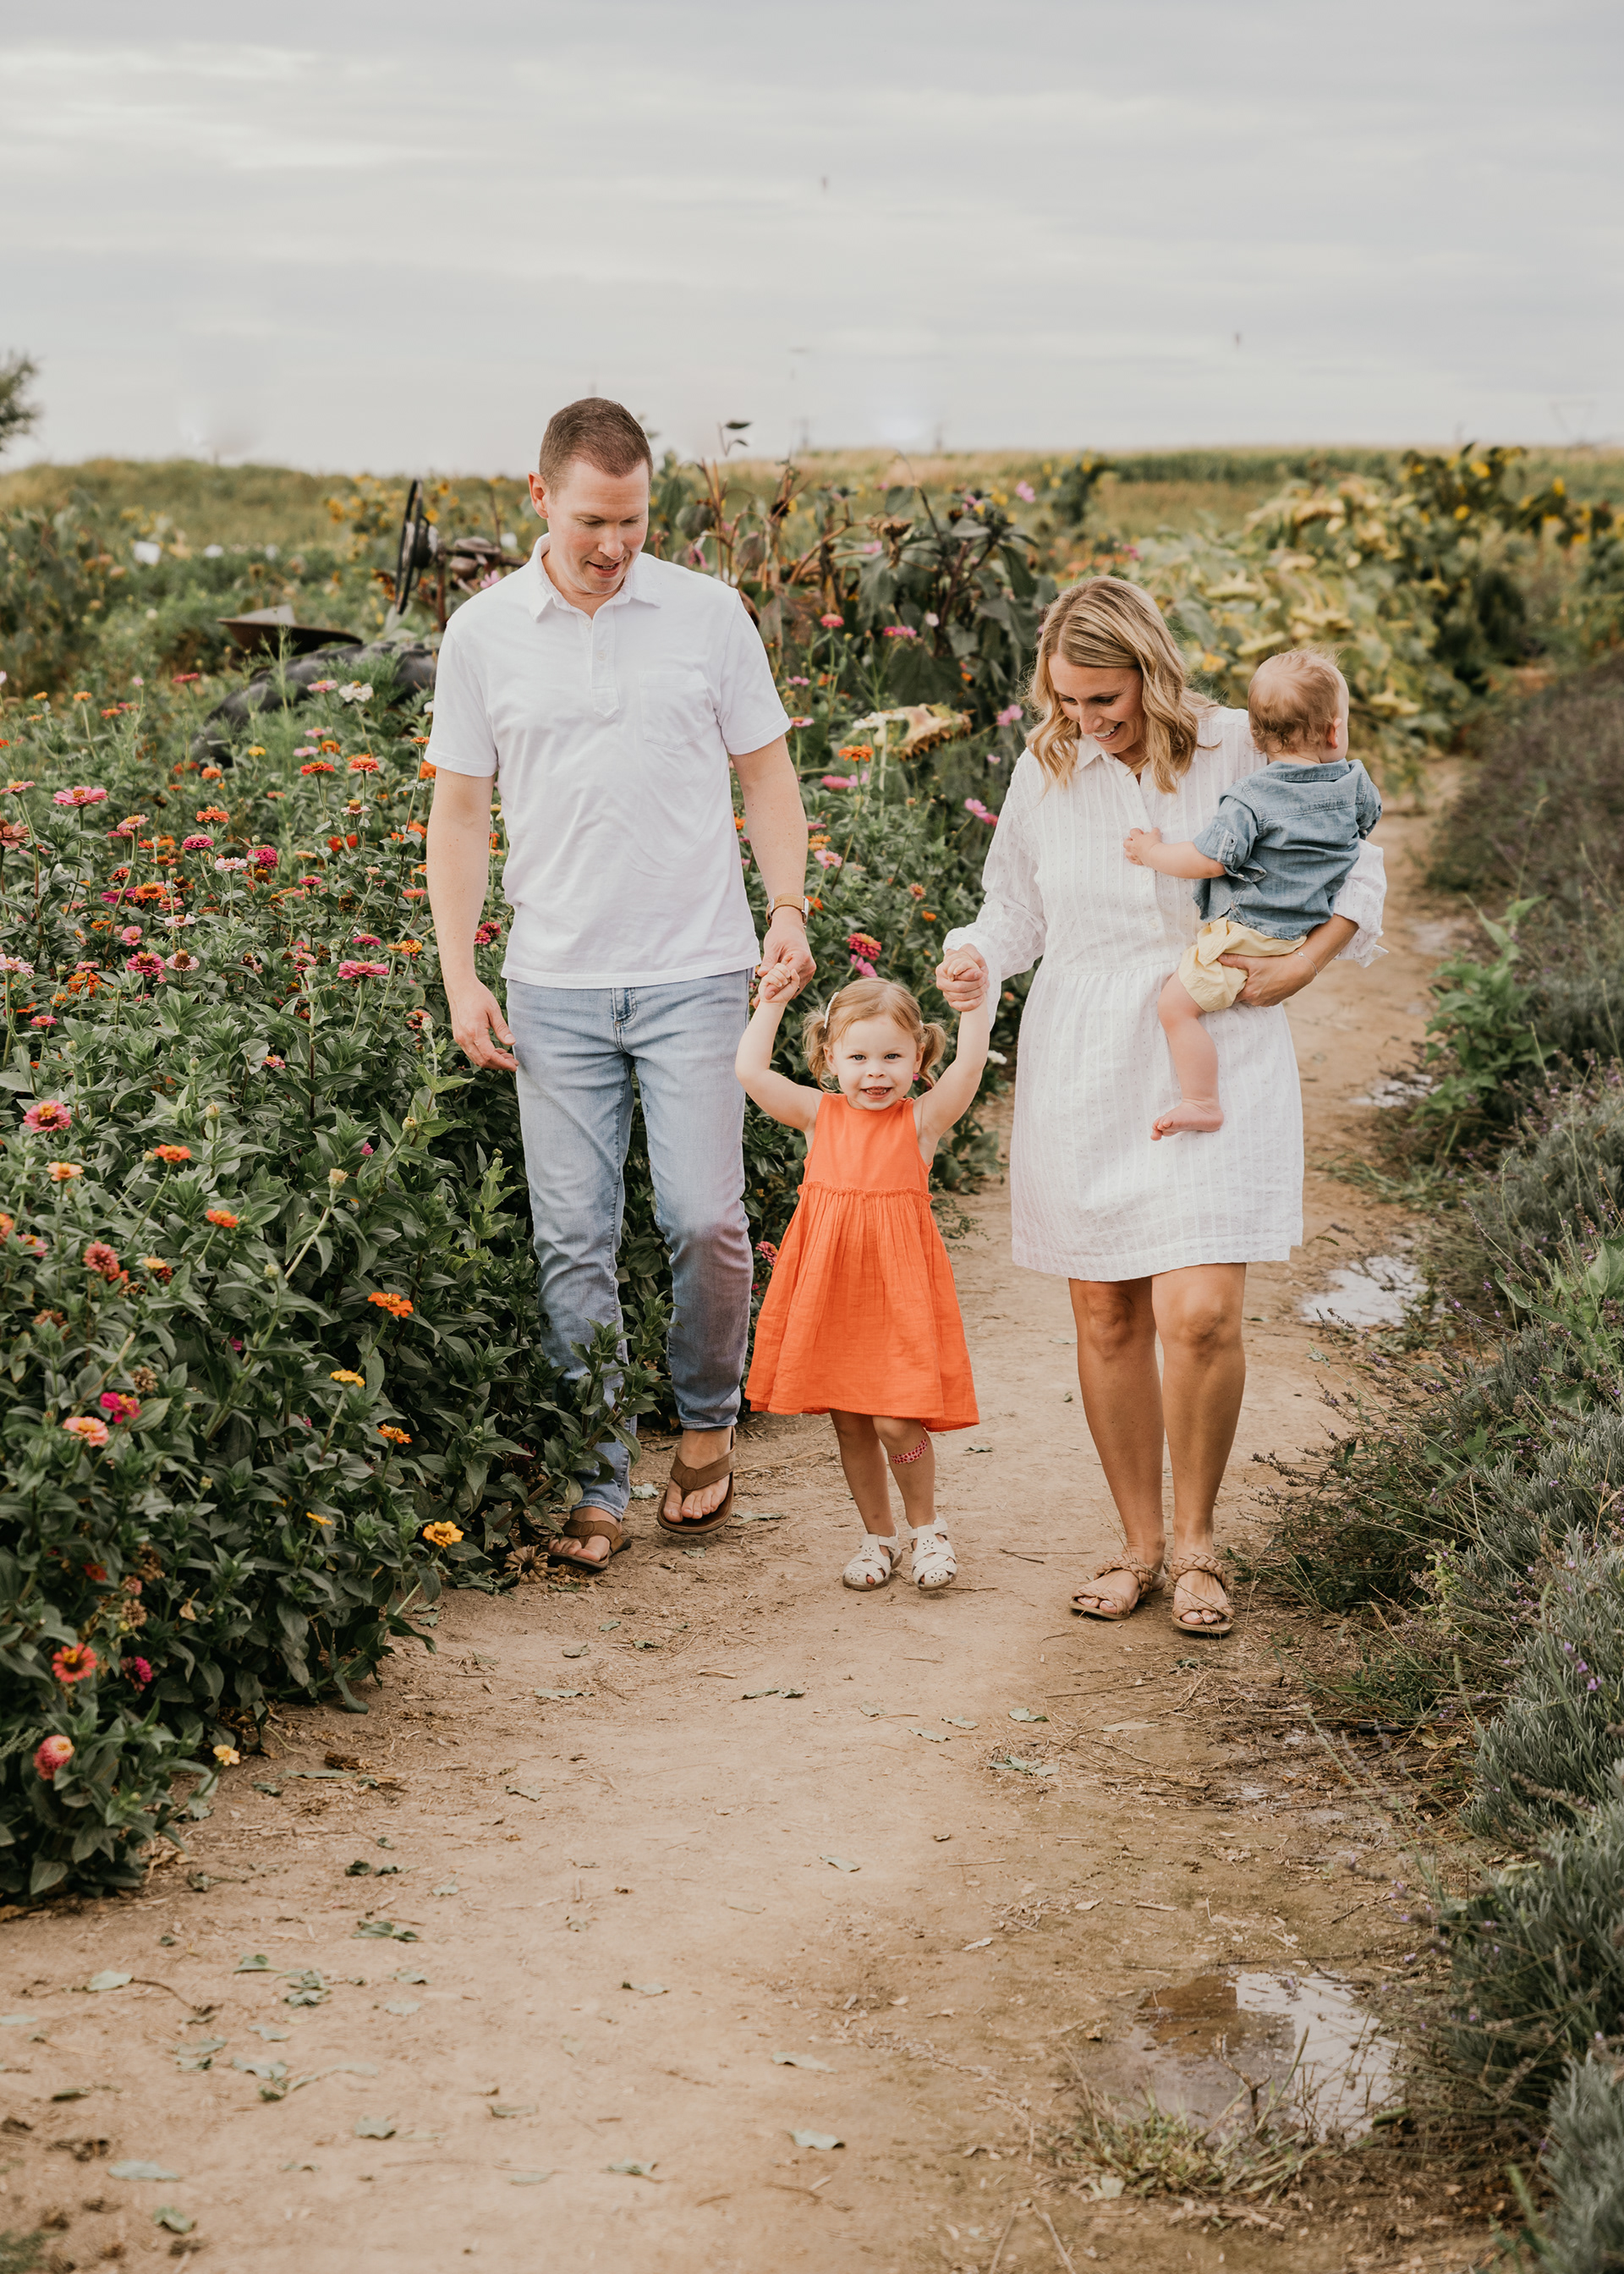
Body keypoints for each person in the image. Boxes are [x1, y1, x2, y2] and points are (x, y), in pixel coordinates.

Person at [934, 578, 1385, 1638]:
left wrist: (1307, 963)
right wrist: (974, 957)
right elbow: (1013, 910)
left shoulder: (1238, 747)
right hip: (1087, 1052)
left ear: (1151, 671)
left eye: (1106, 698)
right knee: (1107, 1312)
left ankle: (1198, 1543)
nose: (1087, 720)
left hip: (1215, 1040)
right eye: (1069, 700)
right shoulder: (1048, 767)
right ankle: (1138, 1544)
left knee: (1202, 1313)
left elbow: (1354, 856)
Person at [424, 397, 815, 1569]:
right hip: (554, 983)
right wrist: (460, 973)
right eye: (592, 521)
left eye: (634, 520)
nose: (613, 545)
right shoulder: (483, 633)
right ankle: (595, 1479)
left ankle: (705, 1422)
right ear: (539, 498)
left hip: (698, 968)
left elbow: (768, 776)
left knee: (705, 1219)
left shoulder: (707, 614)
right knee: (573, 1243)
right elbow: (460, 812)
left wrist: (787, 908)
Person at [735, 970, 989, 1591]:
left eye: (892, 1057)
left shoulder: (921, 1121)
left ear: (918, 1058)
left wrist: (976, 1007)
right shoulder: (818, 1115)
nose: (875, 1072)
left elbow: (969, 1067)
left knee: (897, 1420)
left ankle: (927, 1530)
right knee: (850, 1421)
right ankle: (879, 1538)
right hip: (833, 1291)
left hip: (898, 1296)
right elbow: (751, 1071)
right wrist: (771, 1001)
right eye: (858, 1058)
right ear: (829, 1058)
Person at [1124, 648, 1381, 1140]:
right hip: (1306, 929)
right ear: (1334, 731)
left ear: (1257, 736)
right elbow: (1364, 831)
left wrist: (1151, 852)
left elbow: (1211, 859)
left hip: (1251, 932)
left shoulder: (1251, 798)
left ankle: (1202, 1100)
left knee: (1174, 1008)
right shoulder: (1356, 784)